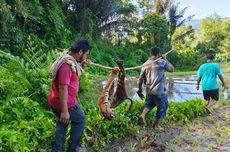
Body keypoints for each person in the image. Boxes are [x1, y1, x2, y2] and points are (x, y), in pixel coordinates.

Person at [48, 40, 91, 152]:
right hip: (65, 103)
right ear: (80, 52)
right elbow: (62, 88)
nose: (86, 56)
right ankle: (74, 149)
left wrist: (82, 65)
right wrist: (65, 111)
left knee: (62, 124)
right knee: (80, 119)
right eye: (86, 54)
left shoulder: (69, 60)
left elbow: (73, 73)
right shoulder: (66, 66)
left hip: (56, 100)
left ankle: (57, 149)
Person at [138, 47, 174, 131]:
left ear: (150, 54)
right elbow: (171, 69)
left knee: (149, 104)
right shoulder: (162, 63)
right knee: (163, 106)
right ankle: (157, 126)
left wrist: (139, 90)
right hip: (159, 91)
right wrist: (166, 59)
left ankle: (143, 115)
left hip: (149, 91)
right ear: (159, 54)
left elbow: (140, 79)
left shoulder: (145, 64)